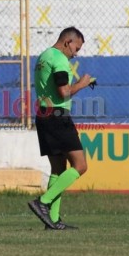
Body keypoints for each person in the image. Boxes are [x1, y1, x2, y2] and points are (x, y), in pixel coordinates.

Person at [28, 27, 94, 230]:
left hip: (43, 114)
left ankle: (53, 221)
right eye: (76, 48)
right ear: (67, 42)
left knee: (58, 169)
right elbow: (64, 92)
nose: (76, 54)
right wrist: (82, 83)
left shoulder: (44, 56)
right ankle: (43, 202)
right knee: (81, 166)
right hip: (57, 116)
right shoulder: (59, 60)